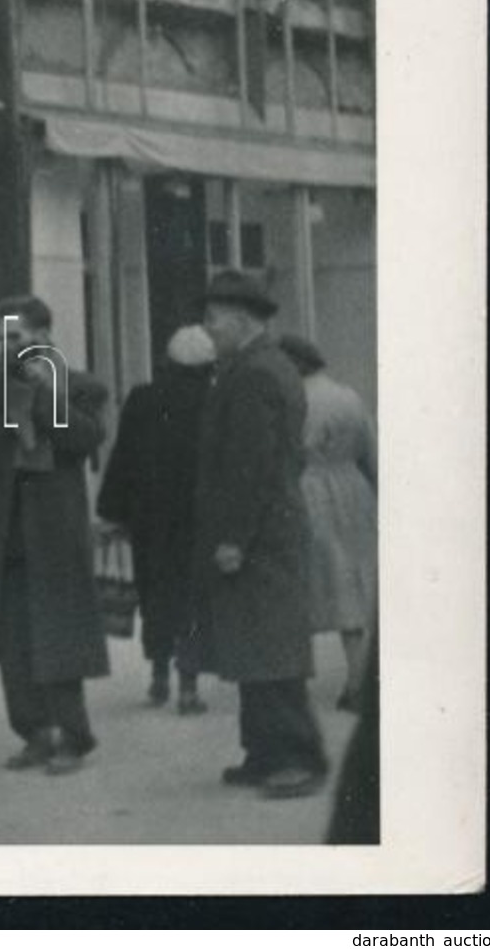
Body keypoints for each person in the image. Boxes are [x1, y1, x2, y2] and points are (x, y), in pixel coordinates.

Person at [0, 294, 111, 775]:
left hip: (53, 528)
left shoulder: (80, 386)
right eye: (0, 336)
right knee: (12, 638)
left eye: (15, 336)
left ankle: (73, 736)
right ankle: (34, 731)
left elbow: (84, 439)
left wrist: (46, 393)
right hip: (4, 527)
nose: (6, 345)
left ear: (43, 335)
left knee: (58, 632)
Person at [197, 270, 328, 799]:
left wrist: (234, 537)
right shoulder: (261, 365)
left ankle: (297, 758)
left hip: (260, 536)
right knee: (255, 646)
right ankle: (265, 753)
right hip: (269, 530)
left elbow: (251, 465)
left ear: (242, 319)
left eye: (212, 320)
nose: (206, 330)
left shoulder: (253, 373)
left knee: (271, 650)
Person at [97, 324, 217, 715]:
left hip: (149, 517)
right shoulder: (214, 401)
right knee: (192, 597)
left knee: (155, 594)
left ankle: (159, 676)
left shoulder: (142, 398)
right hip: (197, 517)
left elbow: (124, 456)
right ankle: (189, 684)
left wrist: (112, 510)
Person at [278, 334, 378, 712]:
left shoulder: (292, 399)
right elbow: (371, 450)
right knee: (349, 585)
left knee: (305, 586)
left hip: (308, 490)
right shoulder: (348, 397)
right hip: (352, 491)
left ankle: (294, 683)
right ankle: (356, 679)